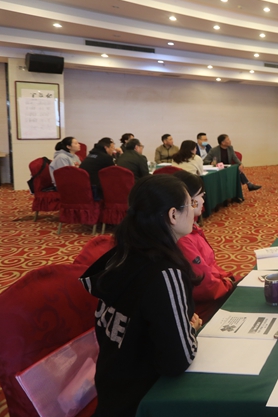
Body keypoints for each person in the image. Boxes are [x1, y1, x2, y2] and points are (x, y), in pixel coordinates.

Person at [79, 175, 201, 416]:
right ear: (173, 215)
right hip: (145, 401)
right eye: (191, 204)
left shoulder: (121, 255)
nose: (195, 212)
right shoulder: (165, 273)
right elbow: (177, 360)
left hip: (112, 392)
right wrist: (189, 330)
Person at [174, 171, 239, 323]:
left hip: (217, 288)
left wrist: (227, 278)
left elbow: (209, 267)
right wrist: (229, 283)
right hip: (206, 307)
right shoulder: (183, 238)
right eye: (201, 195)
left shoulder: (191, 229)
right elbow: (205, 285)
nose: (203, 200)